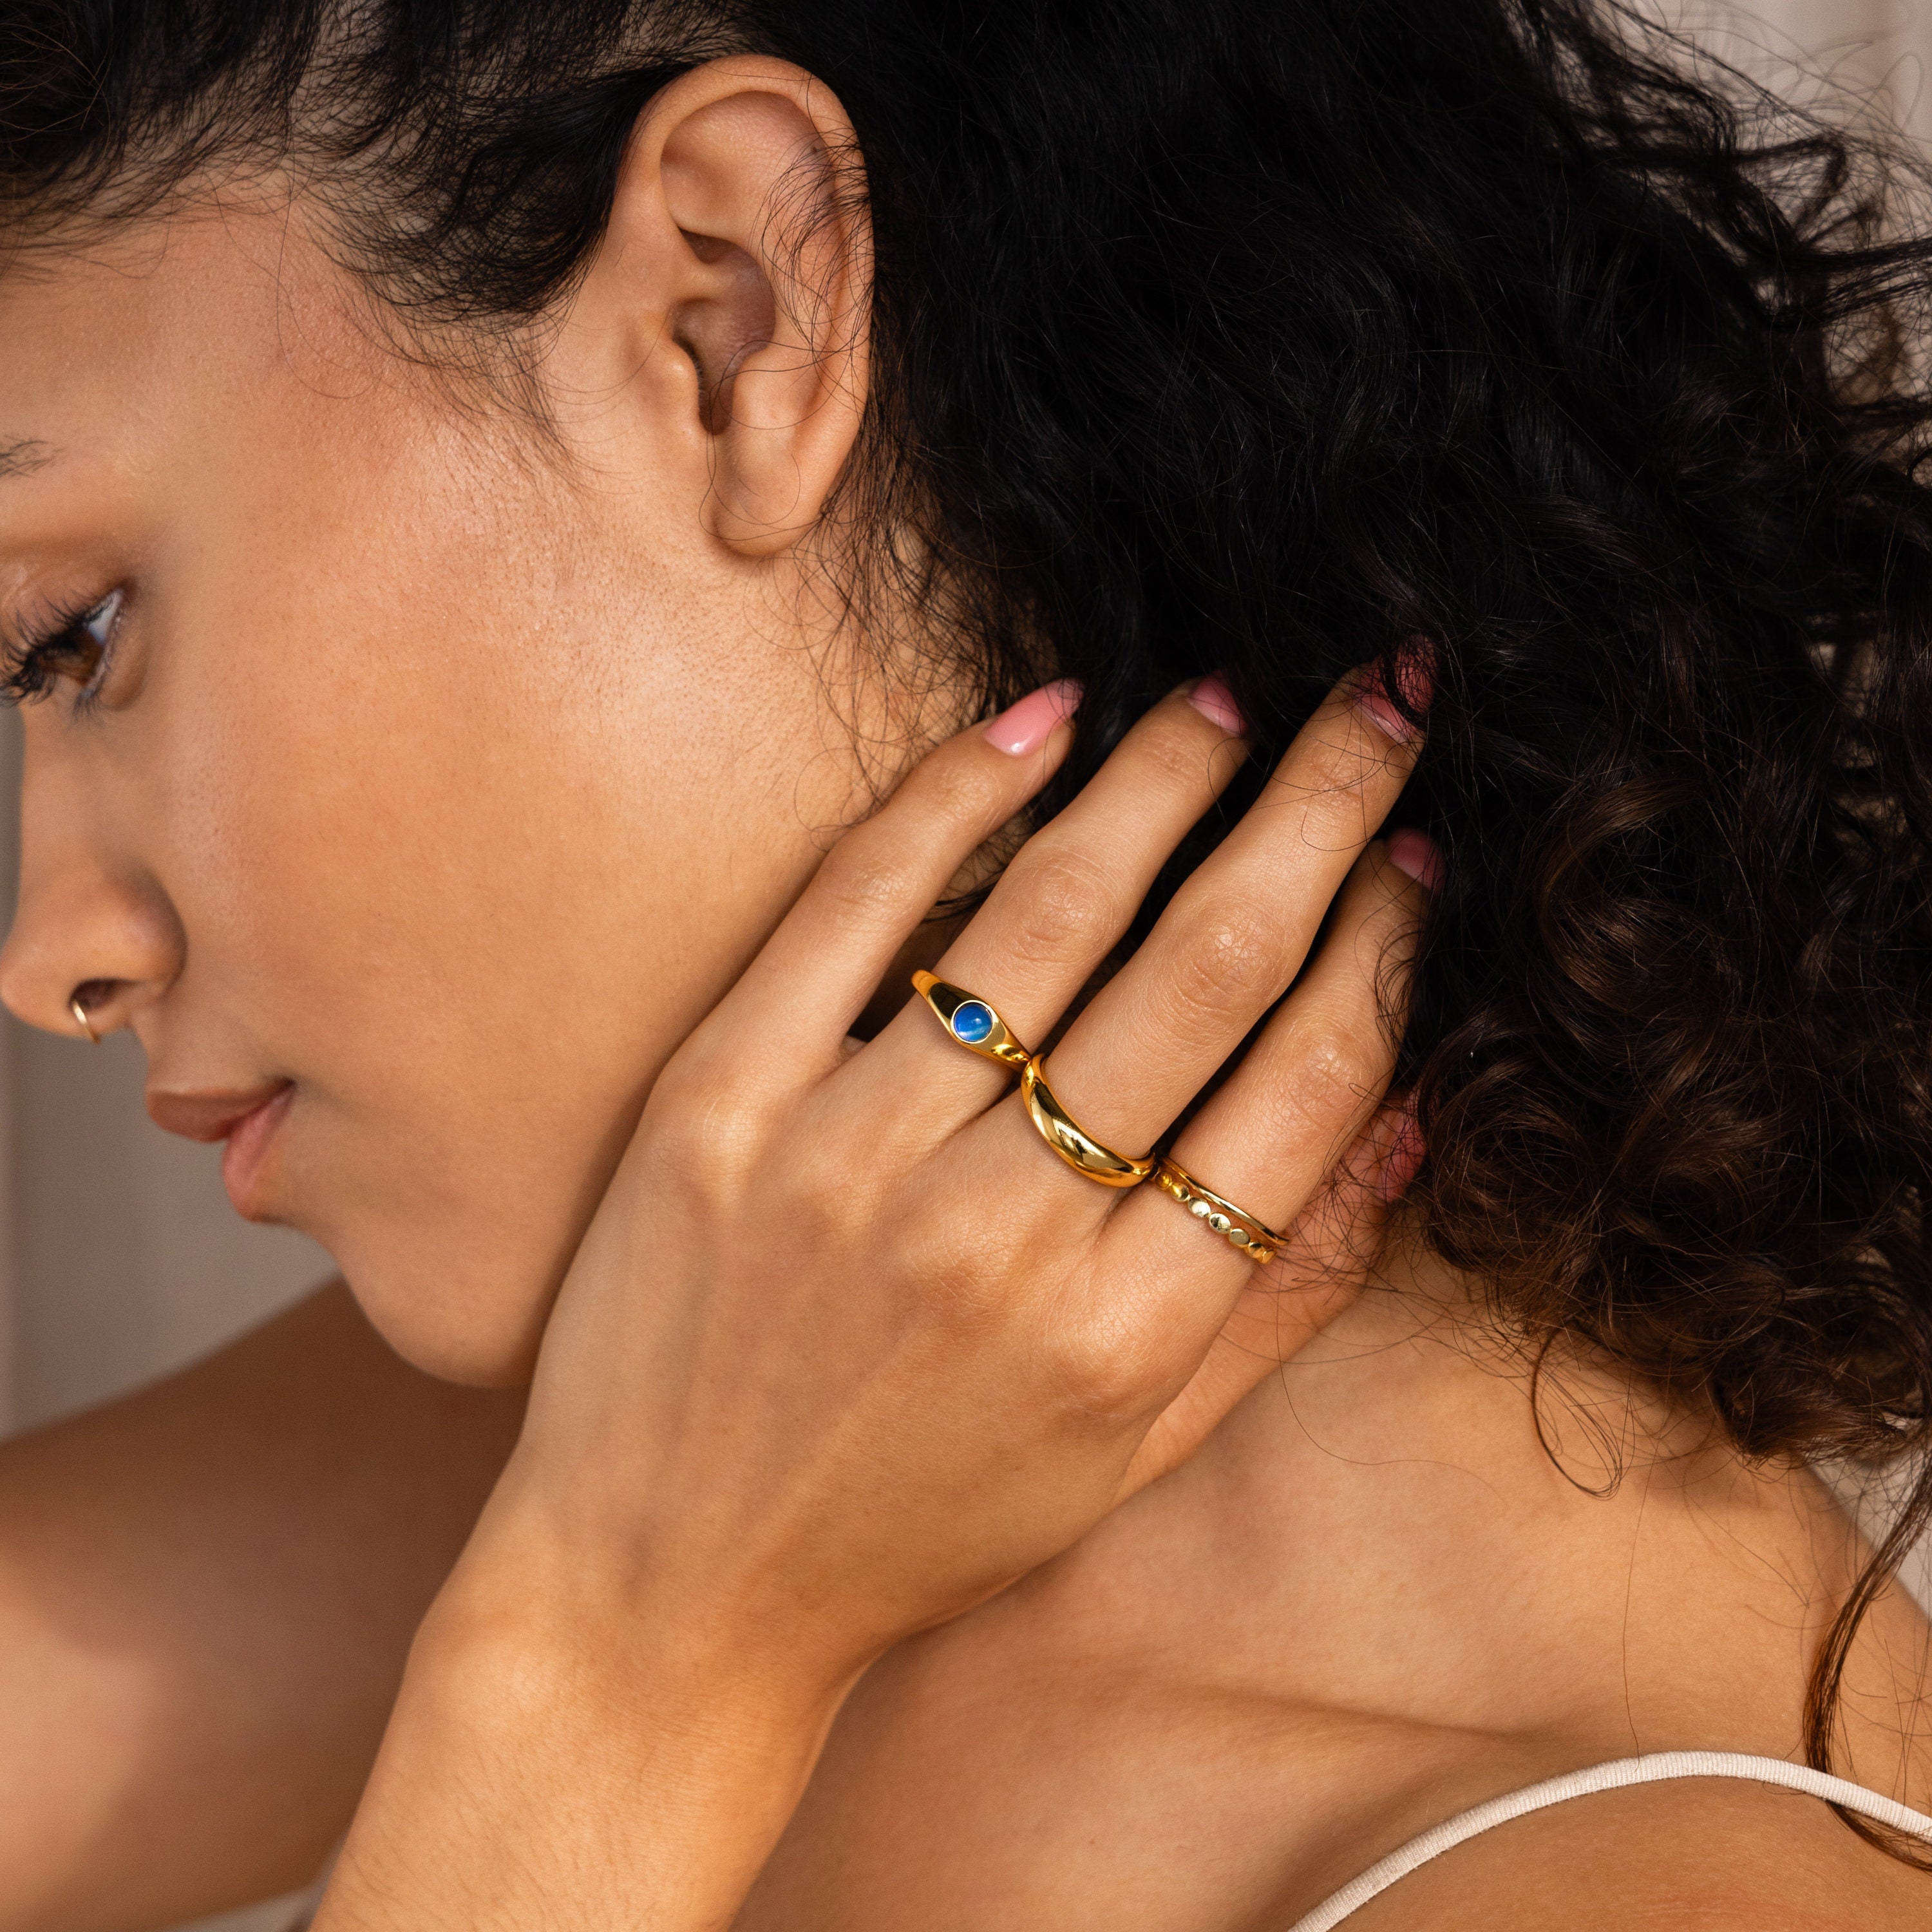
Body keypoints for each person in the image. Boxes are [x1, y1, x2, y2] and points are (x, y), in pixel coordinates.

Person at [0, 1, 1928, 1926]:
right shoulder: (719, 1407)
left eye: (80, 636)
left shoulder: (1639, 1889)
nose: (48, 959)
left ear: (732, 320)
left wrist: (614, 1663)